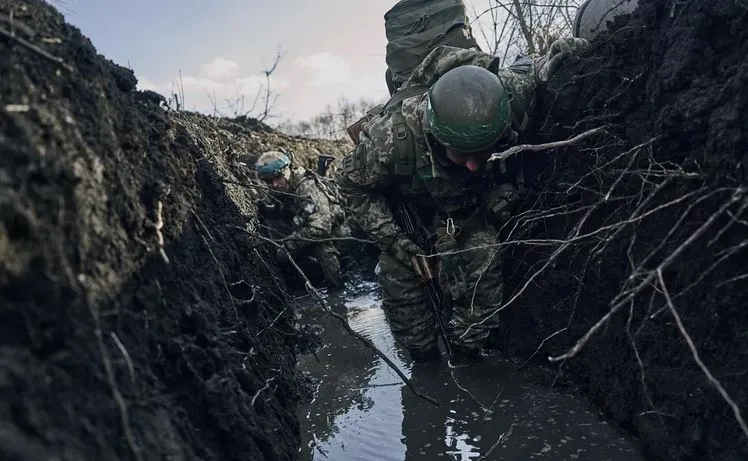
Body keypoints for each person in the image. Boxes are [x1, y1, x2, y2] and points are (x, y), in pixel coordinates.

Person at [336, 38, 589, 365]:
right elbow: (349, 185)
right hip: (409, 217)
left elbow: (535, 70)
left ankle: (466, 355)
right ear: (435, 136)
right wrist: (398, 243)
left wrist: (559, 57)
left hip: (466, 212)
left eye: (481, 153)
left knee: (483, 262)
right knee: (406, 307)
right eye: (461, 154)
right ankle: (424, 361)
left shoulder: (507, 97)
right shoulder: (390, 140)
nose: (473, 165)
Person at [254, 150, 349, 288]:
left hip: (337, 234)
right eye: (268, 181)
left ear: (288, 170)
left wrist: (288, 245)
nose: (274, 184)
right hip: (307, 228)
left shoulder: (306, 187)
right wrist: (265, 210)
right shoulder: (283, 188)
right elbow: (286, 210)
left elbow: (321, 228)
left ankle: (338, 289)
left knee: (321, 248)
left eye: (278, 177)